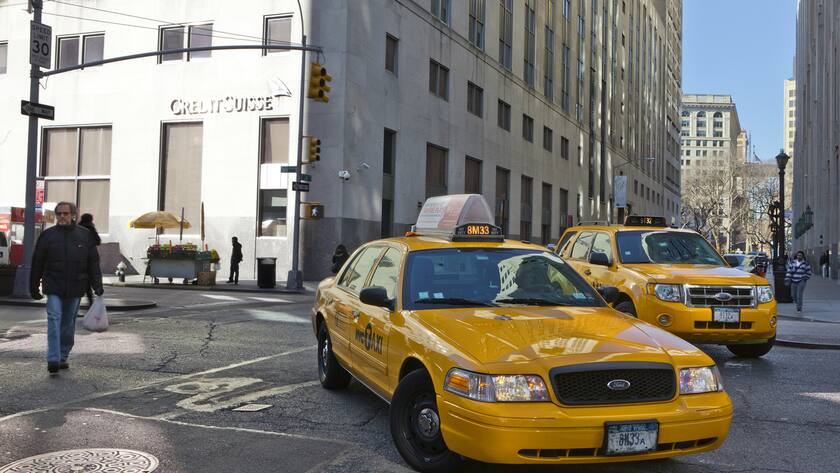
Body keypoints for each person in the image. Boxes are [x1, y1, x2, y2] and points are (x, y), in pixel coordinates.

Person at [30, 201, 104, 374]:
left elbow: (93, 263)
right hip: (53, 285)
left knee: (68, 324)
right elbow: (37, 262)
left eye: (65, 213)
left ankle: (63, 355)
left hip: (76, 286)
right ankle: (53, 359)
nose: (62, 216)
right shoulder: (47, 236)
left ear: (73, 215)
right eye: (59, 214)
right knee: (54, 318)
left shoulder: (85, 236)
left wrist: (97, 286)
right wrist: (33, 286)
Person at [78, 213, 101, 306]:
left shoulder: (77, 228)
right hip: (89, 257)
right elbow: (98, 241)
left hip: (78, 258)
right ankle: (91, 303)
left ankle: (75, 306)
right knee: (88, 282)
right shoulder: (91, 229)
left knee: (78, 284)